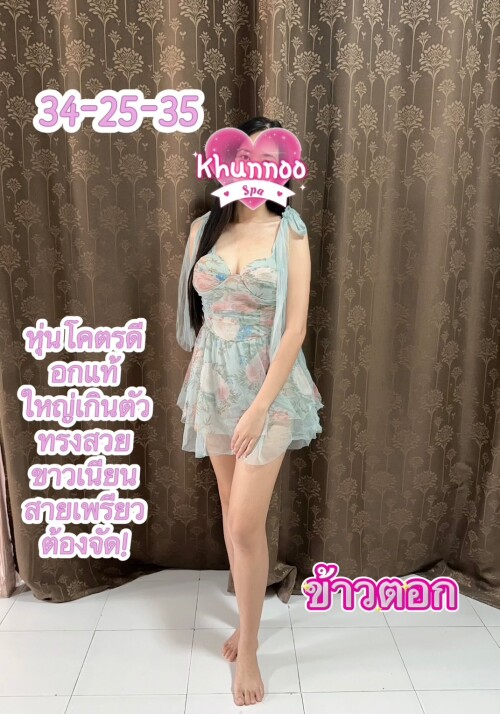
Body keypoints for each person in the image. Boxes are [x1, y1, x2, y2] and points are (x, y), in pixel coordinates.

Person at [175, 116, 323, 706]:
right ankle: (246, 621)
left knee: (243, 523)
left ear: (282, 169)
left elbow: (296, 329)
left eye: (268, 162)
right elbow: (196, 313)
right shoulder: (202, 229)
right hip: (214, 382)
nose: (255, 172)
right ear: (227, 163)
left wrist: (260, 407)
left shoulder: (291, 232)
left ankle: (252, 647)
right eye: (245, 160)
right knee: (232, 517)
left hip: (270, 388)